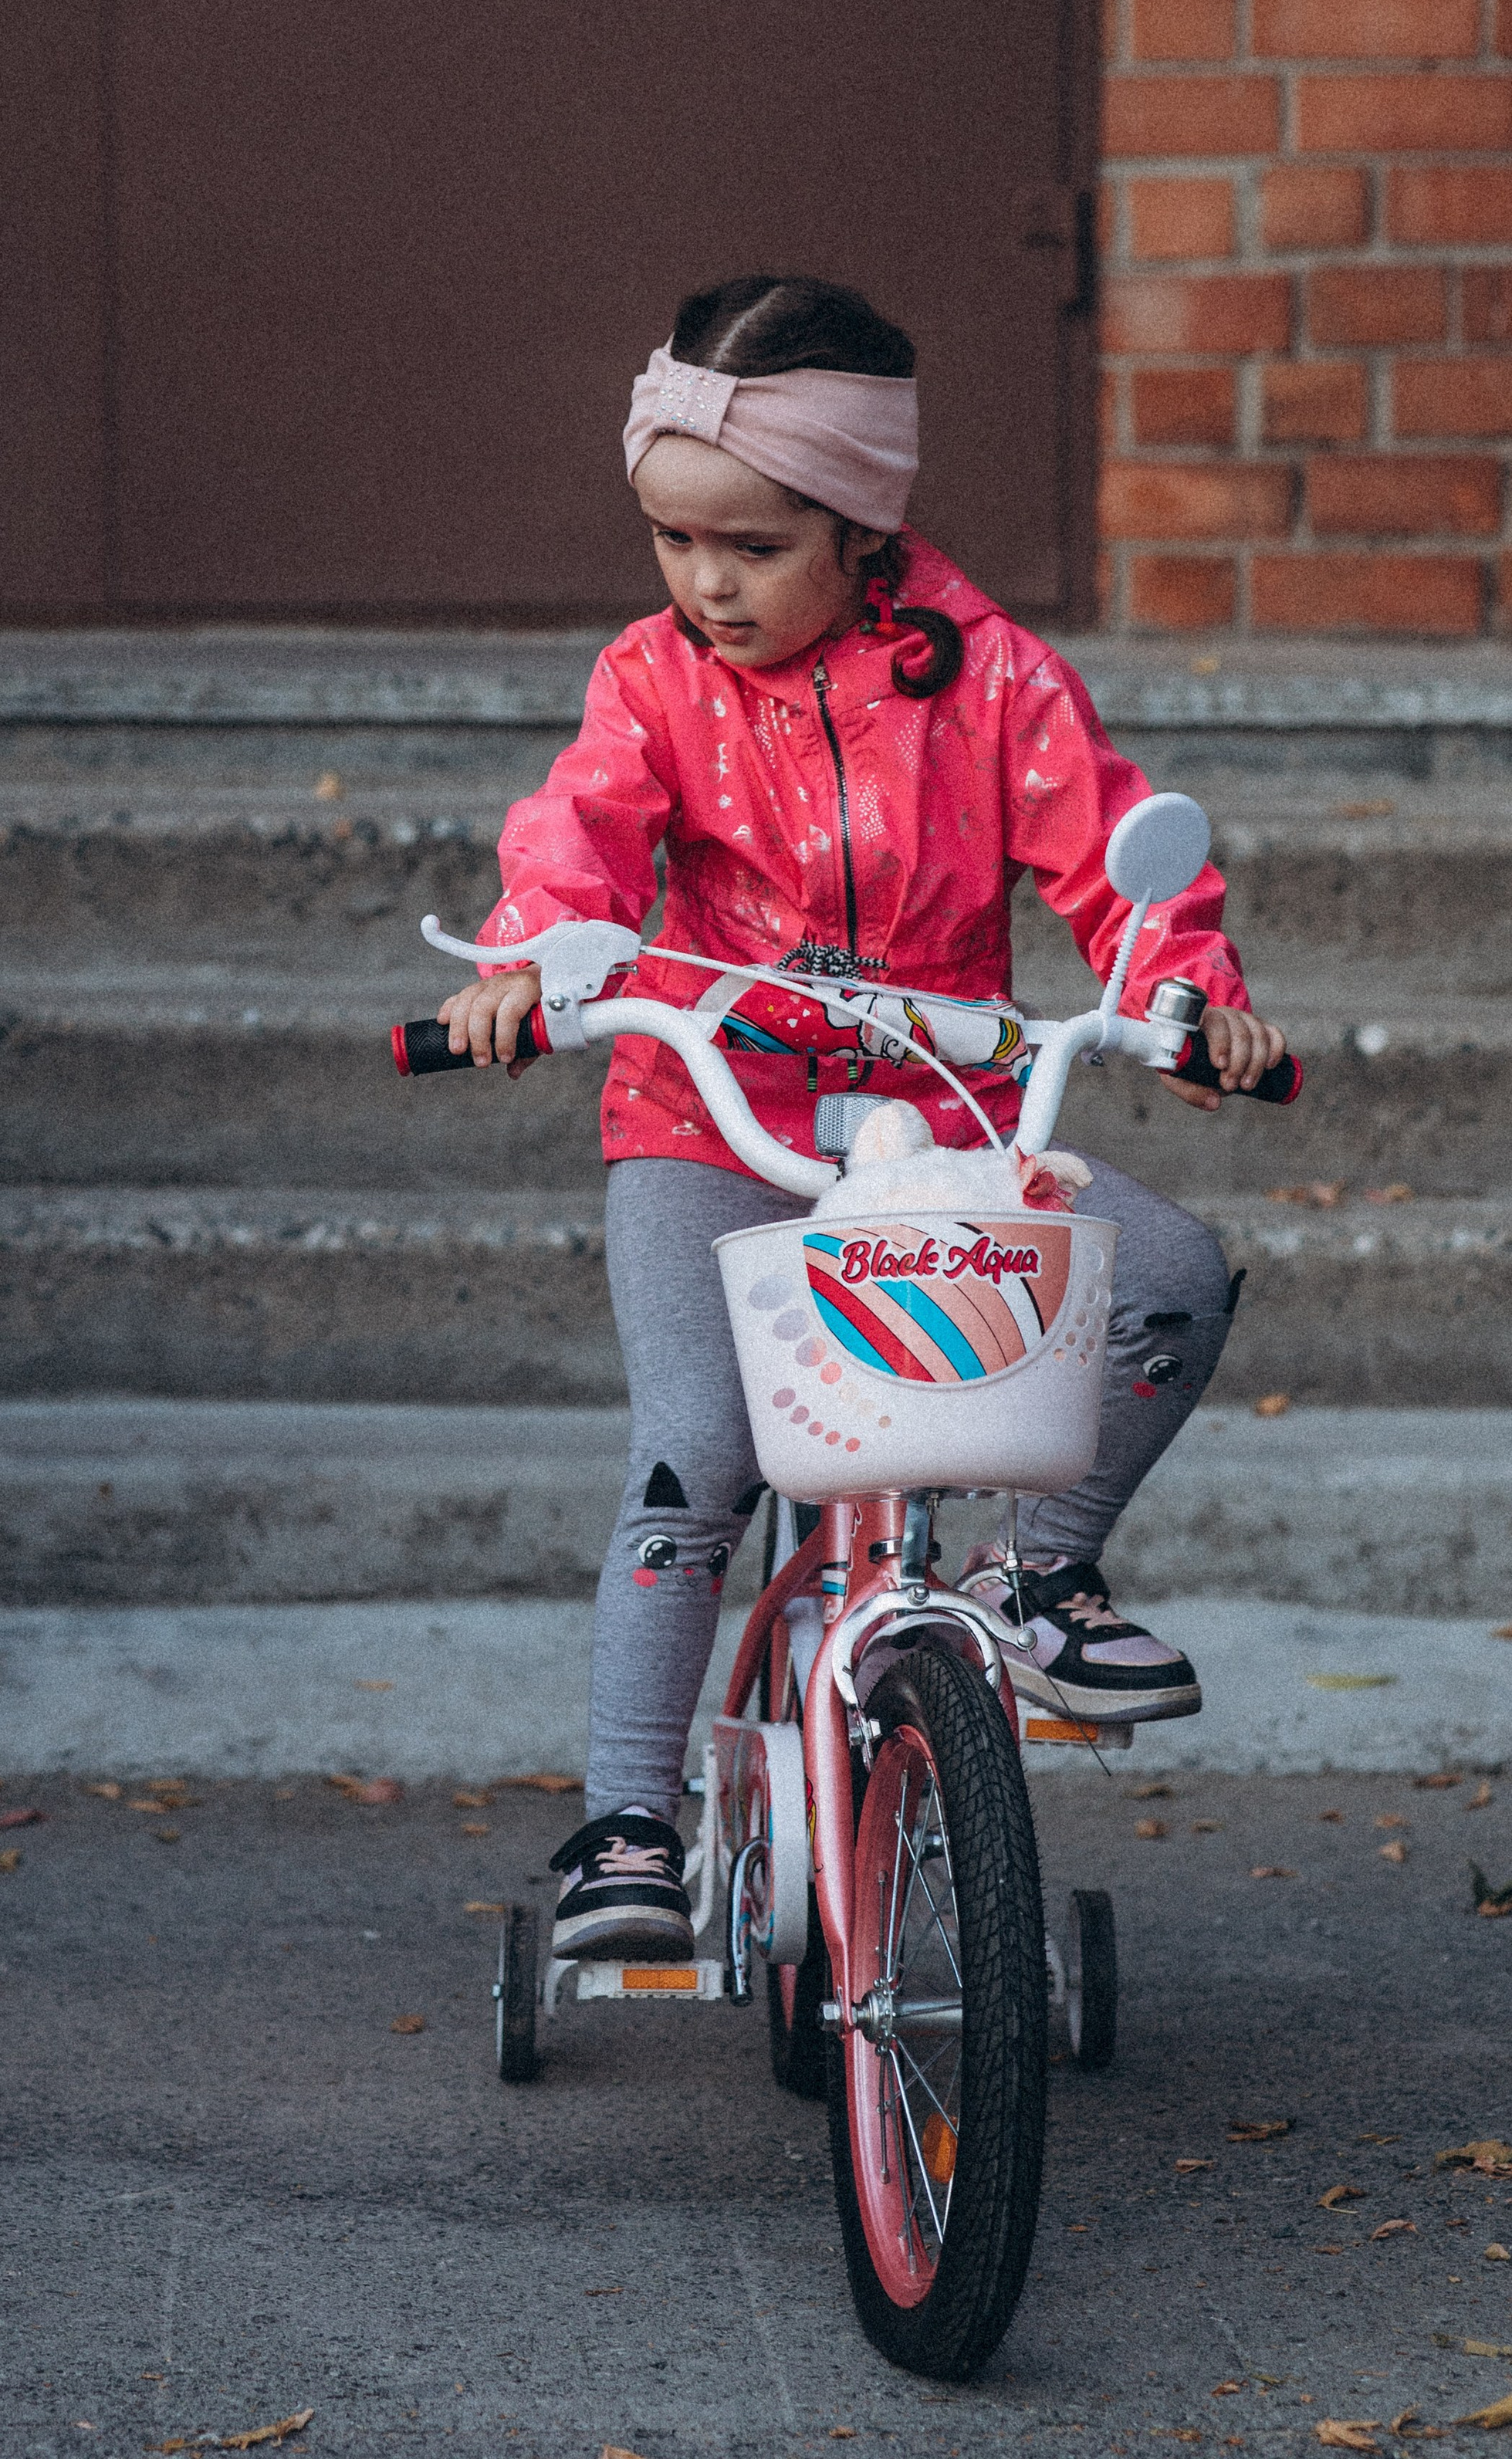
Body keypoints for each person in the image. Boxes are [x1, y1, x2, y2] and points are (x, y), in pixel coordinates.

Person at [438, 273, 1286, 1963]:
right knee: (697, 1446)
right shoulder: (652, 684)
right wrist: (530, 963)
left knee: (1172, 1274)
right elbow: (578, 840)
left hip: (945, 1113)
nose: (704, 585)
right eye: (673, 543)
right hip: (711, 1109)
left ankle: (1036, 1578)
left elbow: (1117, 870)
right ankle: (627, 1818)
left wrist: (1185, 1000)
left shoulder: (993, 687)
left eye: (749, 546)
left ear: (859, 524)